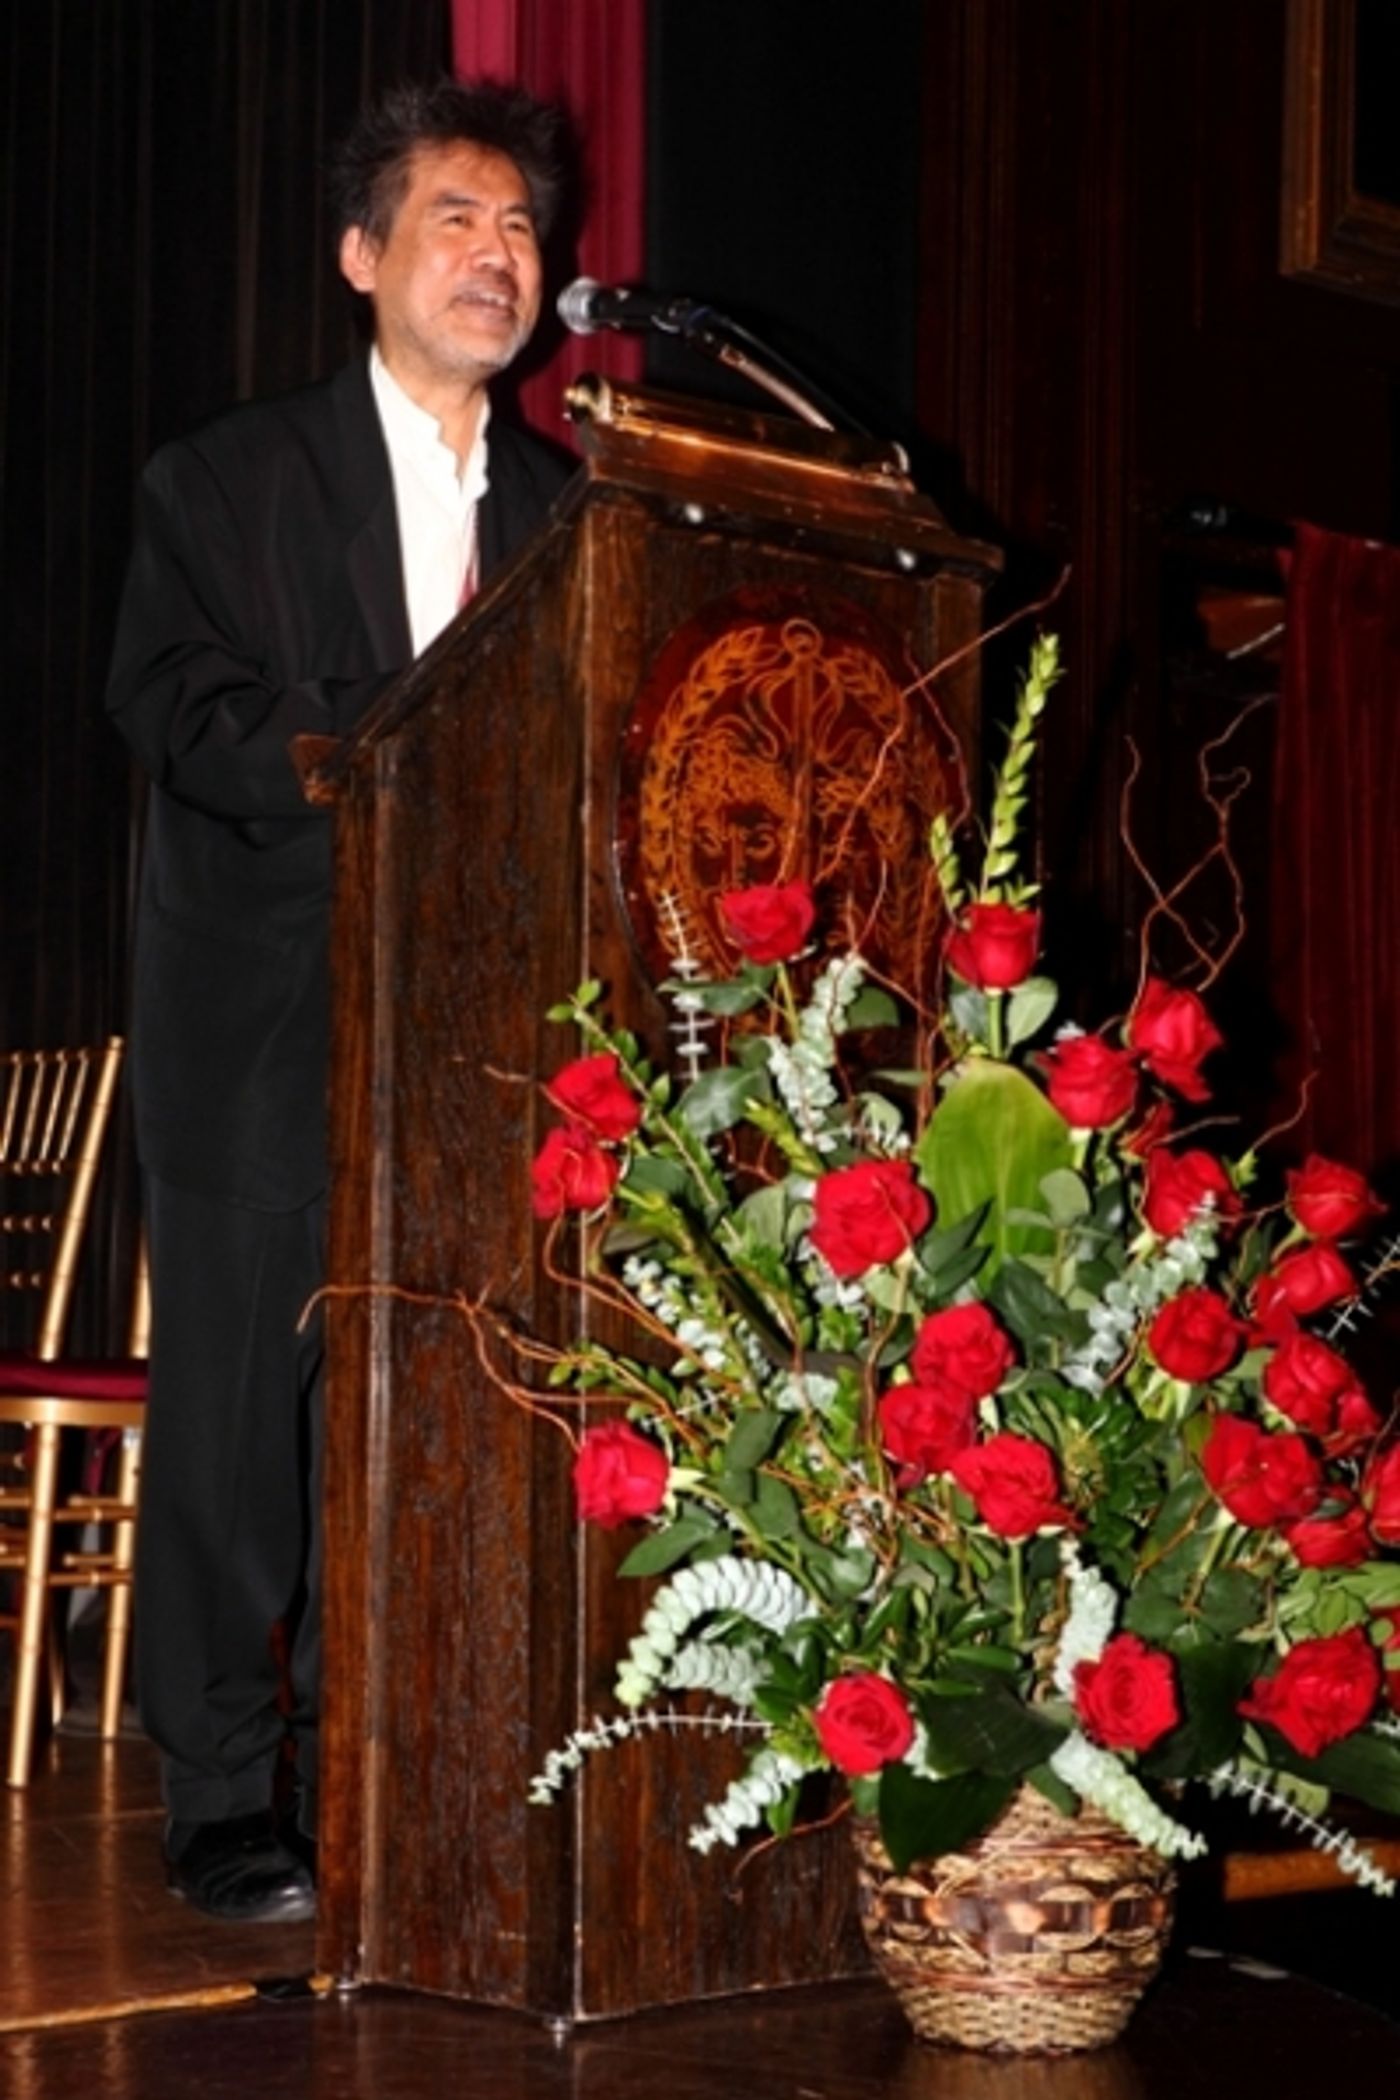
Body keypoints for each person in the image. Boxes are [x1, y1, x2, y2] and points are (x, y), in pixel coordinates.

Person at [106, 79, 573, 1923]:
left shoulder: (571, 509)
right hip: (269, 1014)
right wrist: (375, 764)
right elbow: (173, 701)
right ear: (365, 256)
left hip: (483, 1027)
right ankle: (225, 1794)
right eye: (457, 217)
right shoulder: (223, 478)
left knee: (444, 1409)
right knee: (237, 1416)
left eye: (524, 227)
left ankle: (411, 1760)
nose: (499, 252)